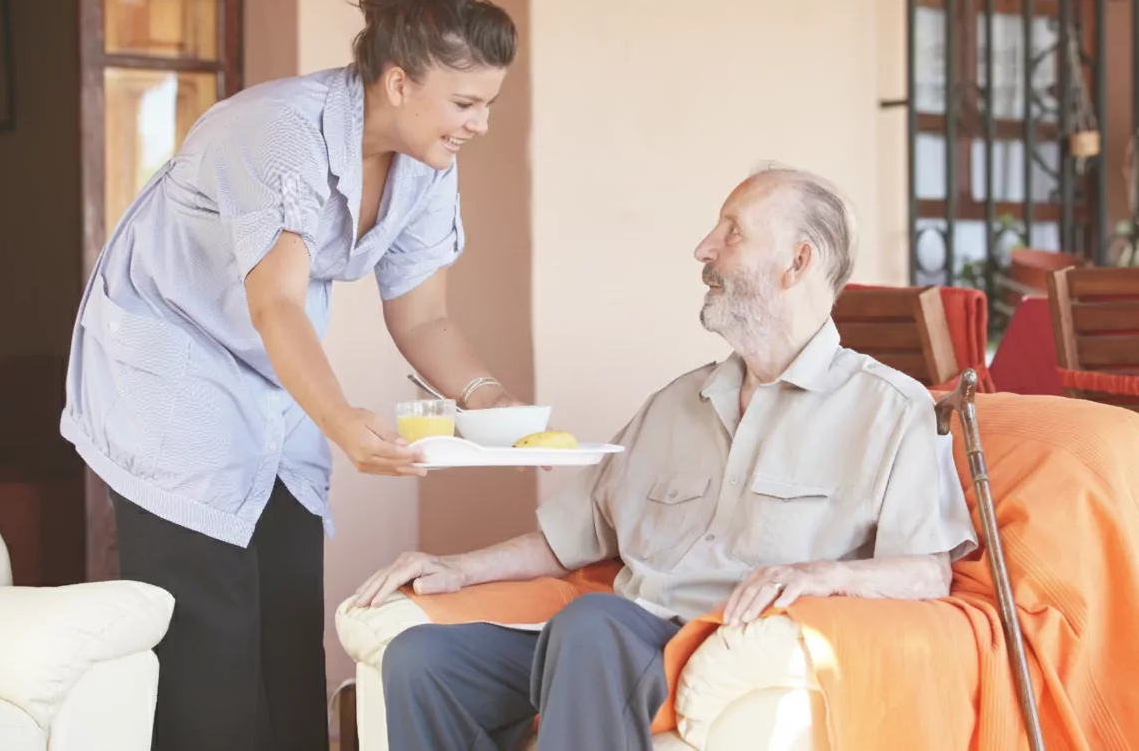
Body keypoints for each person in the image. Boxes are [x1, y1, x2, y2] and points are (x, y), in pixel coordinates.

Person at [60, 0, 523, 751]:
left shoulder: (425, 161)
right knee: (210, 640)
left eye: (488, 104)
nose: (479, 124)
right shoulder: (276, 133)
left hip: (272, 375)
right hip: (172, 368)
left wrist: (495, 408)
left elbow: (422, 321)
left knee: (286, 627)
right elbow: (274, 303)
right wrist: (344, 424)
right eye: (466, 103)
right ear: (400, 81)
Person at [356, 166, 979, 751]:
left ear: (799, 262)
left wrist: (825, 576)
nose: (704, 248)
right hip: (607, 644)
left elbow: (926, 572)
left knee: (593, 625)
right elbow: (570, 537)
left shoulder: (889, 410)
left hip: (716, 642)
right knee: (421, 661)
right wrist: (458, 568)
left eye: (733, 232)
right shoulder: (677, 402)